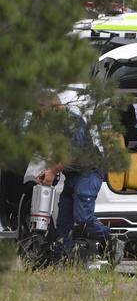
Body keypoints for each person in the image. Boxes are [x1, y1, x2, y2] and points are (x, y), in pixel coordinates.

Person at [35, 92, 111, 262]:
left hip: (88, 173)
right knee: (63, 223)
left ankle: (111, 239)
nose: (41, 116)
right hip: (72, 177)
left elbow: (73, 154)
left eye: (42, 111)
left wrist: (53, 171)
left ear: (53, 107)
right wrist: (47, 171)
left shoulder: (73, 122)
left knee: (83, 218)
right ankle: (62, 259)